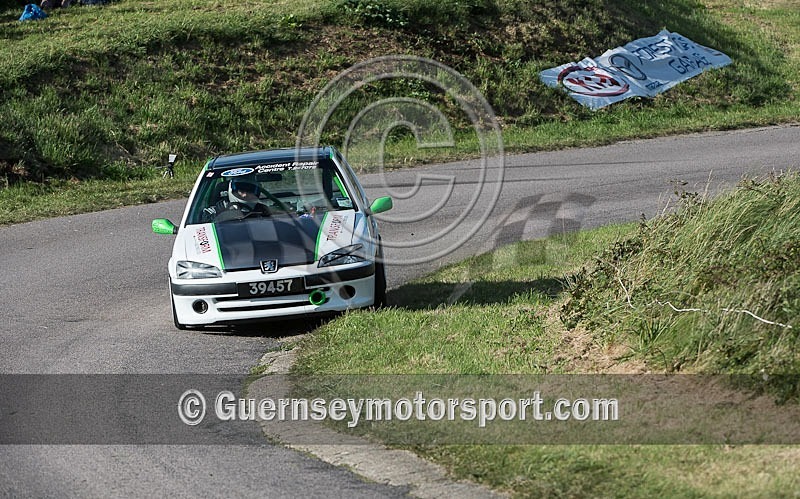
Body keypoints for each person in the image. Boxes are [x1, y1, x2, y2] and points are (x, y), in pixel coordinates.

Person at [204, 180, 272, 221]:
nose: (245, 195)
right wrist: (224, 215)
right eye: (241, 190)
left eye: (249, 191)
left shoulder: (262, 209)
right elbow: (203, 224)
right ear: (232, 190)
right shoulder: (218, 209)